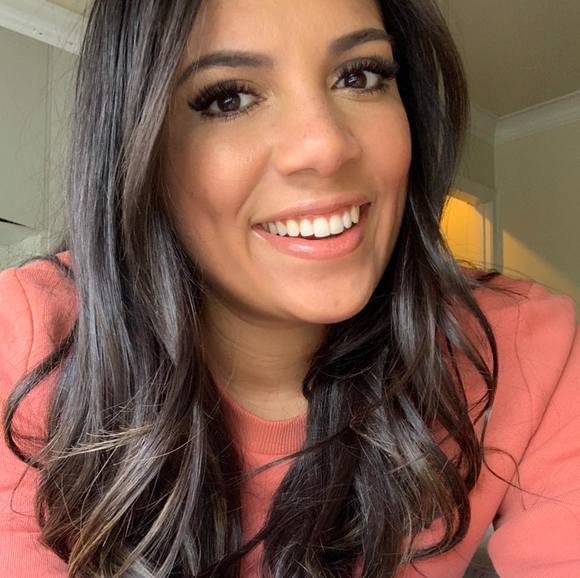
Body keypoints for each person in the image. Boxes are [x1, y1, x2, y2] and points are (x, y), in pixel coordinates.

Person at [0, 0, 578, 576]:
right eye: (228, 98)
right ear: (135, 151)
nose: (325, 146)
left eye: (360, 75)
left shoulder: (527, 343)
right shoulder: (25, 336)